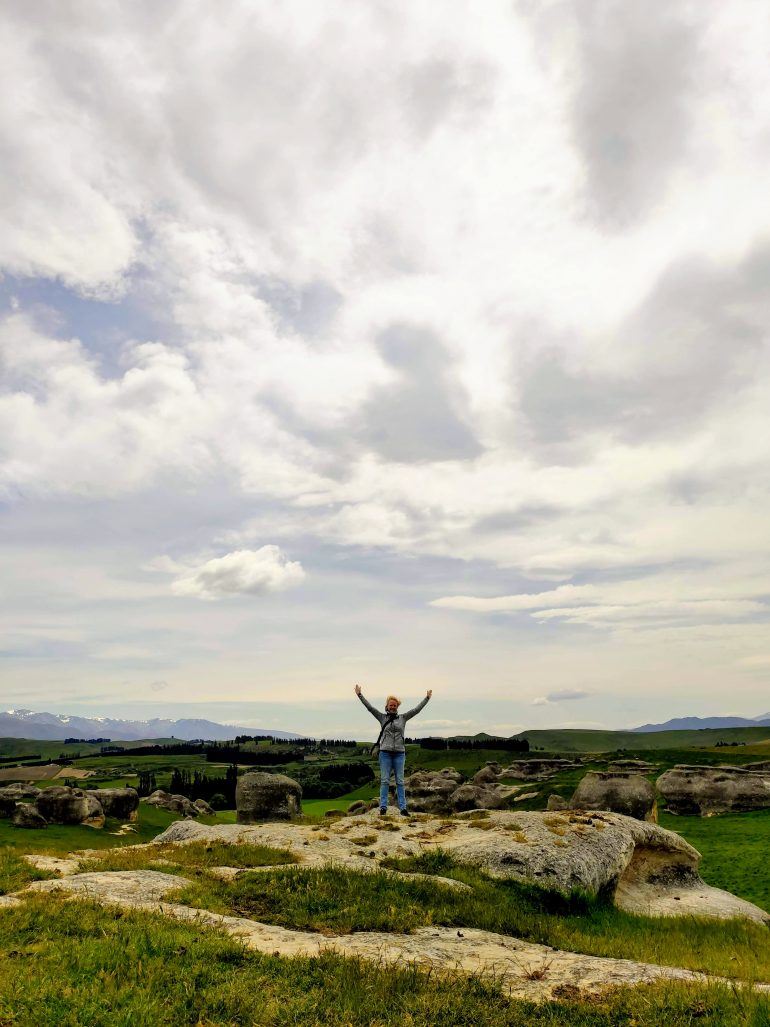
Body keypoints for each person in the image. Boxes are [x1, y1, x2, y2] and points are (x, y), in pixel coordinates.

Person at [355, 684, 432, 816]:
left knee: (400, 782)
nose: (393, 707)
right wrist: (360, 695)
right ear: (387, 706)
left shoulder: (403, 718)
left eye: (395, 705)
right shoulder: (382, 717)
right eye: (391, 705)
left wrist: (427, 698)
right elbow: (370, 708)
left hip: (399, 754)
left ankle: (403, 808)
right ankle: (383, 807)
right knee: (384, 780)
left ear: (397, 707)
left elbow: (416, 710)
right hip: (385, 753)